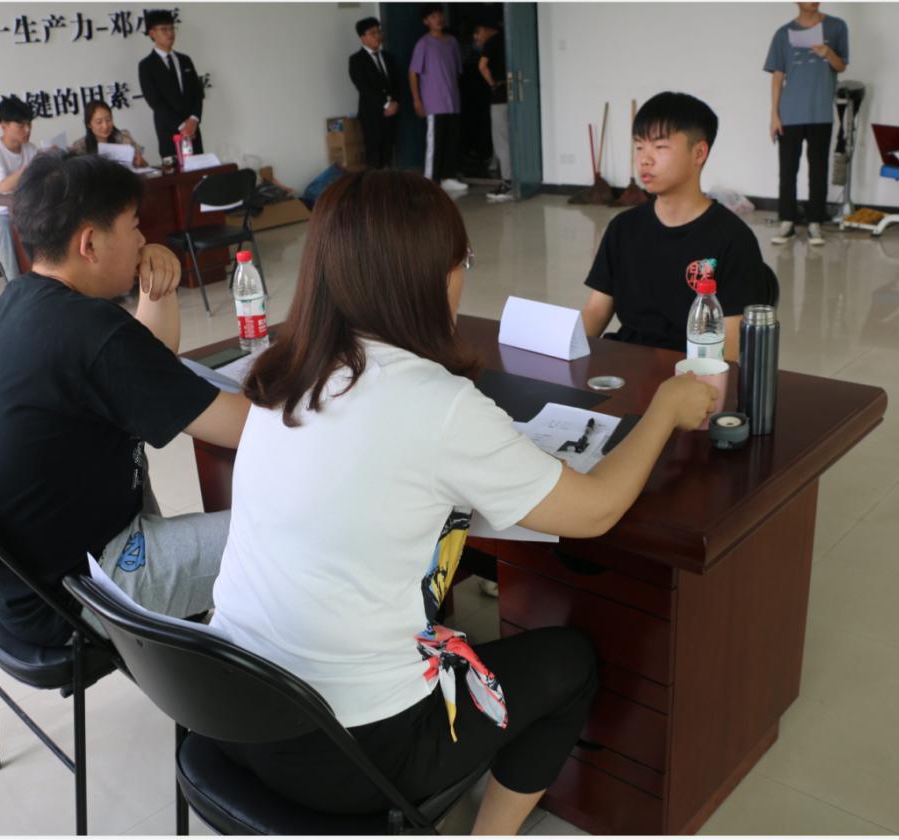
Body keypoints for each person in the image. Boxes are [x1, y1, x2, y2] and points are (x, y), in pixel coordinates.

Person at [208, 169, 717, 833]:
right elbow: (594, 510)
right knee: (570, 662)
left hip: (227, 710)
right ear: (428, 275)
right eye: (461, 261)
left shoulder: (286, 371)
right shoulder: (435, 404)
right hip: (349, 756)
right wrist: (666, 409)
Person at [0, 152, 250, 648]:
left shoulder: (22, 298)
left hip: (16, 585)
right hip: (77, 594)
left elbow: (148, 369)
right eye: (134, 227)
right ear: (89, 243)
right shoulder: (92, 333)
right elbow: (246, 429)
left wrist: (158, 286)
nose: (142, 239)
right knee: (286, 539)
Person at [580, 92, 770, 361]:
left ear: (699, 153)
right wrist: (564, 355)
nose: (644, 159)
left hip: (693, 371)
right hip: (627, 367)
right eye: (639, 146)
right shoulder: (622, 228)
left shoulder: (733, 239)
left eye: (660, 147)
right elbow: (596, 310)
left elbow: (729, 347)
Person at [765, 2, 849, 247]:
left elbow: (842, 65)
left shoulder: (836, 27)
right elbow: (777, 76)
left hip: (820, 112)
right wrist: (774, 115)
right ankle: (787, 222)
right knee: (787, 170)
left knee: (818, 170)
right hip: (789, 113)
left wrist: (828, 53)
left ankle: (815, 223)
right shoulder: (783, 34)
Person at [0, 95, 38, 281]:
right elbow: (2, 186)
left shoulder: (30, 148)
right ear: (4, 126)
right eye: (21, 125)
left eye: (29, 124)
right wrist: (31, 167)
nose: (27, 130)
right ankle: (16, 285)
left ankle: (49, 276)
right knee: (5, 227)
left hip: (24, 211)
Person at [409, 4, 468, 192]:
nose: (438, 19)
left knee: (452, 141)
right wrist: (417, 100)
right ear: (426, 21)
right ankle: (430, 180)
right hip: (434, 102)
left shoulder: (452, 42)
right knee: (434, 143)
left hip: (453, 101)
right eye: (433, 16)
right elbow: (413, 73)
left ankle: (448, 177)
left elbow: (457, 71)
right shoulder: (423, 44)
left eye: (440, 15)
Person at [138, 9, 204, 160]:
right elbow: (155, 102)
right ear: (152, 33)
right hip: (169, 132)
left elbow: (197, 93)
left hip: (193, 132)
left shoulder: (185, 60)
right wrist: (182, 126)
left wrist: (193, 120)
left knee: (200, 171)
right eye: (164, 29)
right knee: (175, 172)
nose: (170, 33)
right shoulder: (146, 65)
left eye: (171, 28)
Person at [348, 17, 400, 170]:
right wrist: (385, 104)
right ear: (362, 37)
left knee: (389, 151)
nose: (378, 36)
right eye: (372, 33)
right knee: (374, 153)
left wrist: (395, 102)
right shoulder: (356, 60)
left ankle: (389, 180)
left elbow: (397, 82)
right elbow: (363, 87)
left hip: (392, 112)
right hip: (371, 114)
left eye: (379, 32)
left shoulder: (389, 57)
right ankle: (375, 183)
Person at [474, 18, 512, 202]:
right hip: (516, 94)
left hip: (499, 96)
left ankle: (507, 183)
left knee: (501, 140)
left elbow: (482, 66)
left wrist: (492, 84)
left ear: (484, 29)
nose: (477, 39)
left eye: (477, 34)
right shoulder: (510, 38)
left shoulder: (492, 42)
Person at [70, 100, 149, 167]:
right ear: (89, 125)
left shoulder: (123, 137)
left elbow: (146, 166)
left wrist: (140, 162)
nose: (105, 126)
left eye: (108, 120)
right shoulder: (80, 146)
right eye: (99, 122)